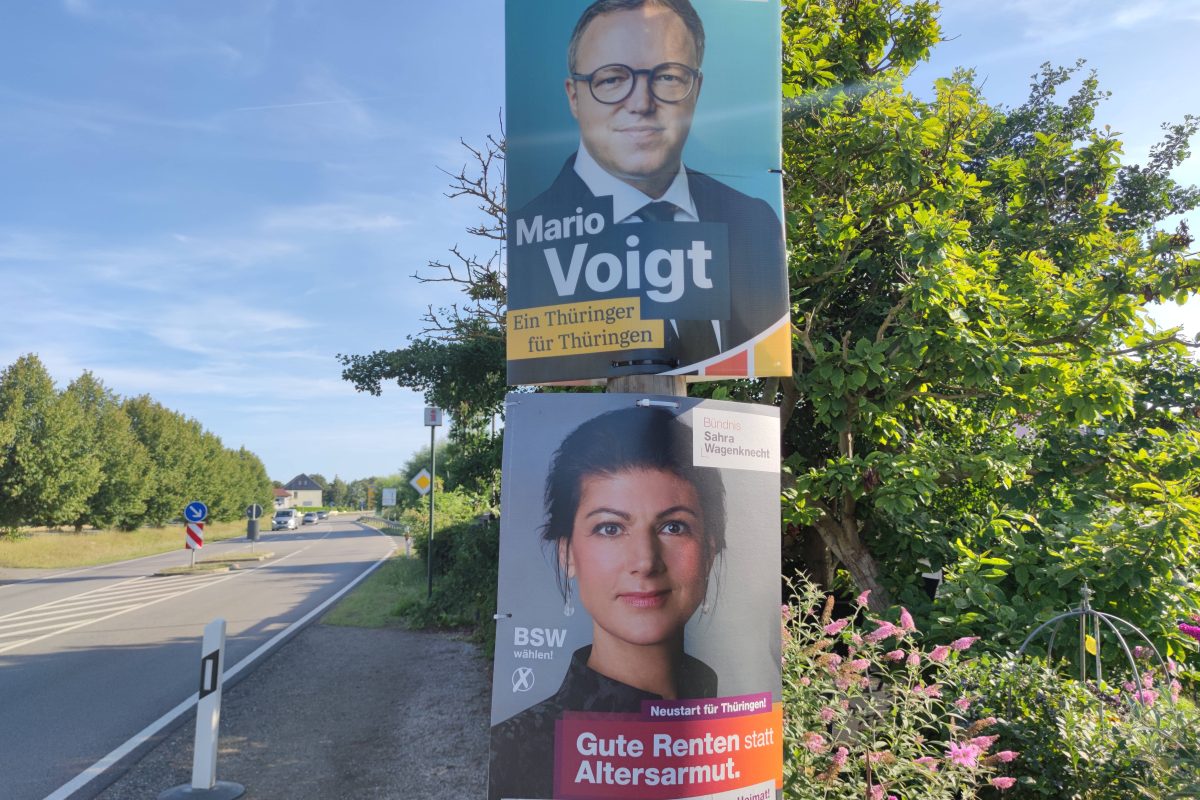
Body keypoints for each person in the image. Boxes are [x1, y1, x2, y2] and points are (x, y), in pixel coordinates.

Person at [509, 0, 788, 377]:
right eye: (611, 79)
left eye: (668, 77)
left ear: (697, 89)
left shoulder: (754, 221)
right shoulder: (532, 237)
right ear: (574, 96)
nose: (641, 103)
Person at [488, 407, 726, 800]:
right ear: (567, 554)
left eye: (673, 526)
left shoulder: (740, 730)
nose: (645, 561)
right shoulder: (516, 750)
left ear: (710, 550)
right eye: (610, 528)